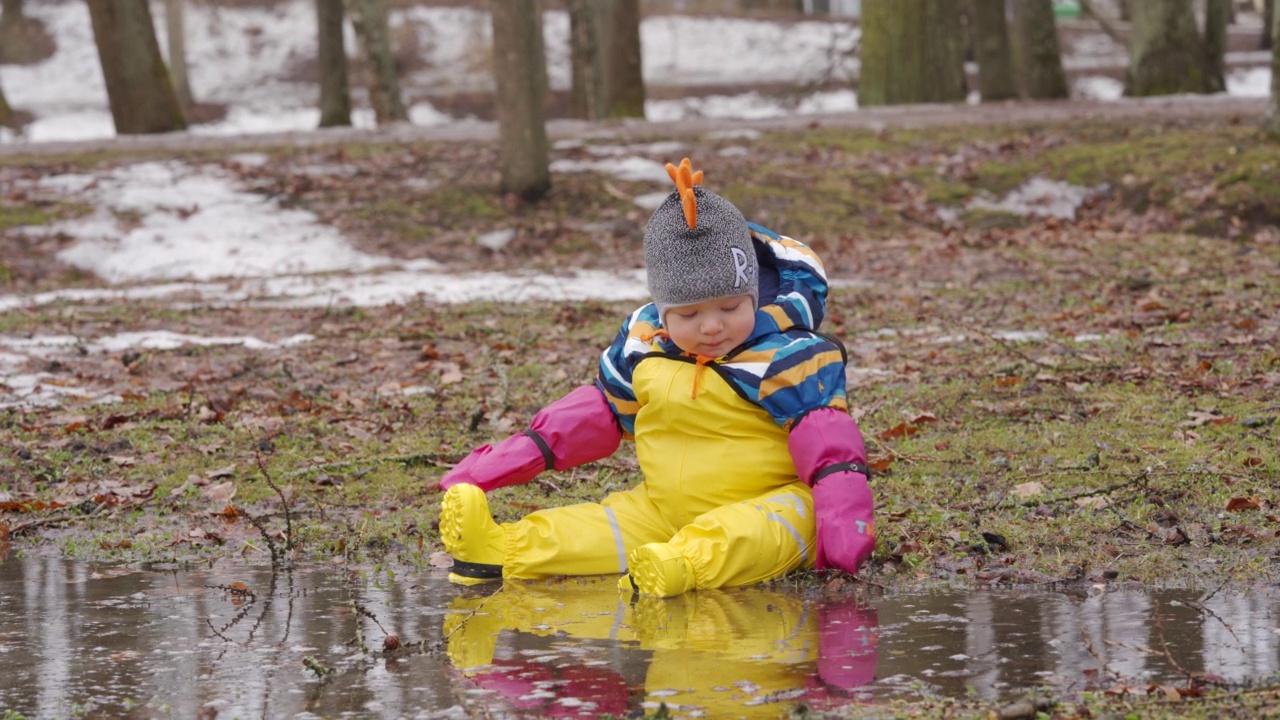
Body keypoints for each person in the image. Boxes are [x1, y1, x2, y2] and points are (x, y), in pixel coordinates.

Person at [436, 157, 874, 597]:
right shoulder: (646, 345)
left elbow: (831, 451)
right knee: (597, 524)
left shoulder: (786, 355)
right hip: (663, 509)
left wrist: (843, 531)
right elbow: (602, 411)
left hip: (770, 503)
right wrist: (507, 460)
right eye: (689, 314)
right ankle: (498, 549)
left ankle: (683, 564)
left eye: (730, 308)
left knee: (756, 530)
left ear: (753, 297)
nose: (711, 327)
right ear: (663, 311)